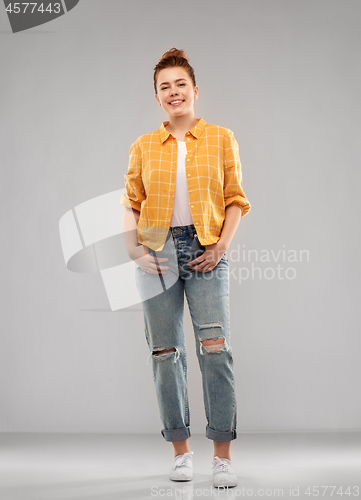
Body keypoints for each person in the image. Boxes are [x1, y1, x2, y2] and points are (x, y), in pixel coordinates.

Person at [120, 48, 251, 488]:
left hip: (206, 249)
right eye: (164, 87)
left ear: (194, 90)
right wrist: (134, 251)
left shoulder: (221, 137)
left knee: (215, 348)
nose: (173, 93)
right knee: (165, 354)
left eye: (180, 85)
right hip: (157, 251)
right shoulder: (143, 146)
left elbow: (236, 198)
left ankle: (222, 456)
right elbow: (130, 204)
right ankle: (181, 451)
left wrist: (220, 247)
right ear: (157, 98)